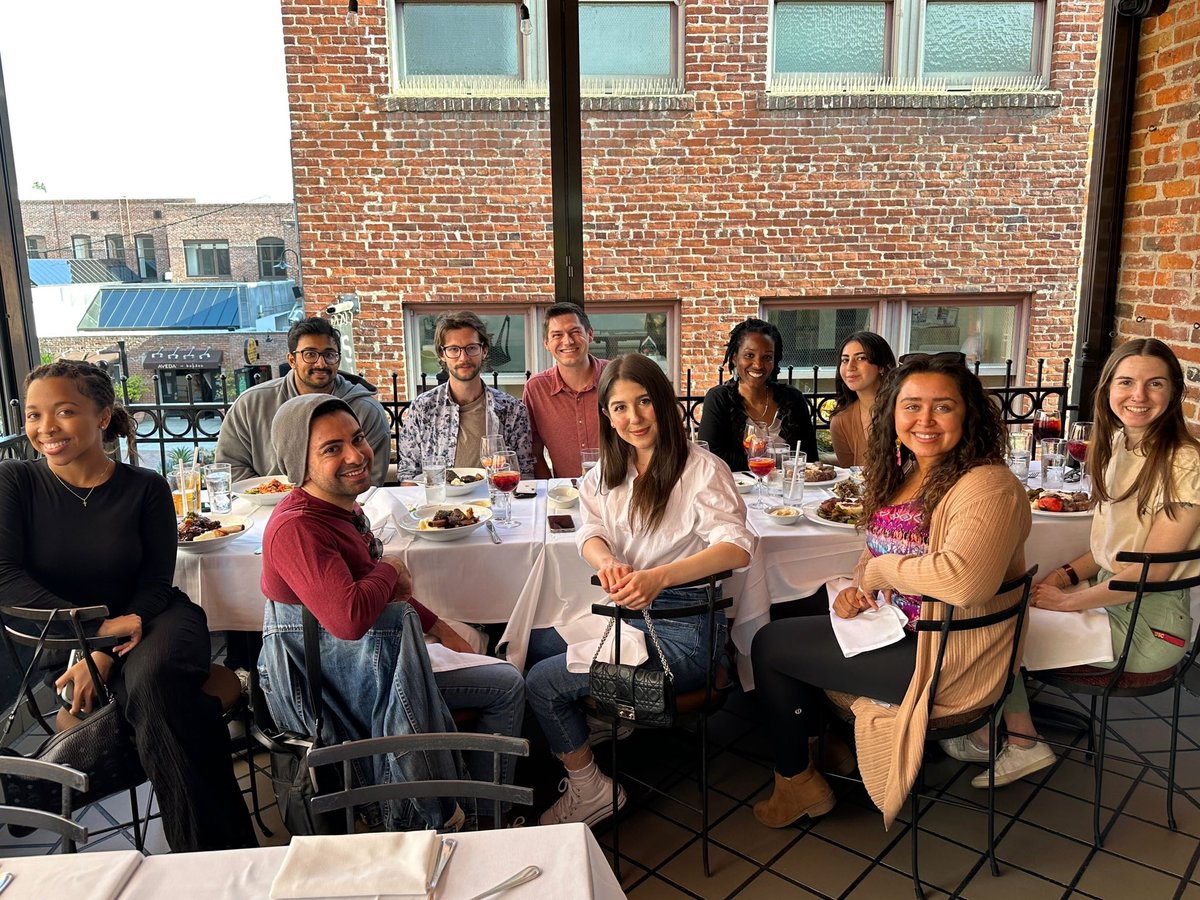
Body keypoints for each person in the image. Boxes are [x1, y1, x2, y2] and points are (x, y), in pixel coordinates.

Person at [751, 352, 1030, 830]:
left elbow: (965, 581)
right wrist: (858, 589)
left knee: (770, 644)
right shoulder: (909, 471)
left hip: (944, 658)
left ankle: (795, 780)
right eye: (911, 406)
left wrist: (880, 574)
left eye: (943, 407)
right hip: (901, 628)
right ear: (893, 412)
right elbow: (875, 551)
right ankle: (831, 748)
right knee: (793, 609)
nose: (924, 420)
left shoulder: (988, 485)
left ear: (969, 413)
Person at [0, 361, 255, 852]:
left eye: (65, 411)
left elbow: (157, 583)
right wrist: (95, 634)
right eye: (33, 415)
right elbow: (5, 579)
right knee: (164, 703)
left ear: (101, 417)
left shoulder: (145, 487)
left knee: (155, 679)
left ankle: (54, 783)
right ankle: (217, 859)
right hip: (68, 638)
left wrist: (104, 642)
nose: (45, 428)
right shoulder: (15, 483)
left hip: (157, 618)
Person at [256, 395, 526, 826]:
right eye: (331, 449)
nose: (355, 455)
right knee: (506, 683)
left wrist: (440, 626)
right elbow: (349, 618)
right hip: (326, 681)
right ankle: (481, 820)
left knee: (482, 643)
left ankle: (474, 810)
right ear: (299, 464)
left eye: (357, 438)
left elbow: (383, 589)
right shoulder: (297, 527)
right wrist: (389, 570)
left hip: (365, 658)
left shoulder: (343, 507)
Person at [949, 339, 1200, 788]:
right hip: (1111, 597)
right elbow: (1110, 548)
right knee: (994, 609)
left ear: (1173, 391)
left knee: (998, 626)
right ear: (1107, 389)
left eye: (1154, 384)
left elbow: (1152, 571)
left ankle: (1018, 740)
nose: (1138, 395)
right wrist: (1064, 576)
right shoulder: (1119, 442)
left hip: (1149, 623)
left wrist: (1069, 601)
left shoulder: (1186, 461)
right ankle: (992, 731)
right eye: (1126, 382)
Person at [525, 354, 755, 827]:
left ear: (664, 402)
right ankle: (606, 724)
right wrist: (606, 560)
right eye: (620, 407)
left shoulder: (702, 469)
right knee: (531, 645)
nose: (634, 418)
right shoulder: (608, 473)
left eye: (645, 402)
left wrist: (659, 577)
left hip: (684, 635)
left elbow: (737, 548)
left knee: (542, 682)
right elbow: (588, 532)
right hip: (629, 616)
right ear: (606, 415)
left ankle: (591, 789)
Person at [215, 316, 391, 486]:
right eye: (310, 354)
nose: (321, 363)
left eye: (329, 355)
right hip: (263, 511)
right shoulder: (251, 404)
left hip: (342, 511)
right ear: (292, 360)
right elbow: (231, 467)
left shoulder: (366, 410)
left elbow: (371, 478)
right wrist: (272, 496)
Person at [396, 311, 534, 481]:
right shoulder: (423, 408)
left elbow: (525, 474)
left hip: (494, 503)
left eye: (471, 348)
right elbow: (408, 475)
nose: (464, 357)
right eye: (454, 349)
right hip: (438, 504)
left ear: (484, 351)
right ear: (442, 354)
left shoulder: (512, 410)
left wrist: (507, 469)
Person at [699, 318, 819, 471]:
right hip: (738, 490)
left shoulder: (794, 399)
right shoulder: (719, 399)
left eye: (767, 357)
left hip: (786, 490)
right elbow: (712, 457)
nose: (758, 365)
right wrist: (768, 463)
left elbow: (809, 458)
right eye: (749, 355)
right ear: (735, 358)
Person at [522, 302, 609, 478]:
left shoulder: (616, 377)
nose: (567, 341)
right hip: (566, 495)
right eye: (557, 335)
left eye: (575, 332)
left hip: (622, 489)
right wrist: (550, 490)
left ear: (590, 334)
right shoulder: (536, 389)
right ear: (546, 343)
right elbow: (534, 453)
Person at [828, 331, 896, 467]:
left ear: (881, 366)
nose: (850, 367)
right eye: (845, 360)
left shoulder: (903, 410)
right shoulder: (841, 422)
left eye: (861, 358)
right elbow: (849, 477)